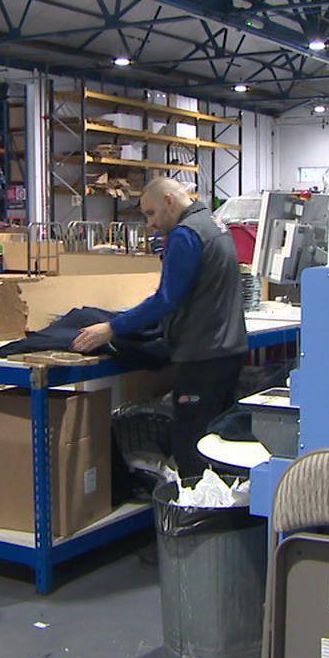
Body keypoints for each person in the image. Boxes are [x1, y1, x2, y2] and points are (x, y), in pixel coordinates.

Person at [74, 178, 245, 477]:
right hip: (227, 352)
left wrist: (112, 328)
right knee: (218, 442)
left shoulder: (186, 235)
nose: (150, 224)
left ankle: (195, 515)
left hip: (201, 359)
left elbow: (166, 299)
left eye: (151, 213)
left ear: (169, 201)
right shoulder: (214, 225)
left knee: (191, 448)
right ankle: (220, 511)